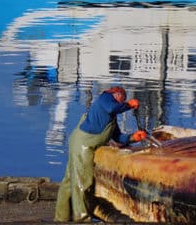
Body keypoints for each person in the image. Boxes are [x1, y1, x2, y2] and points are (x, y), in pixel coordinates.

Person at [55, 86, 147, 222]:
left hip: (80, 143)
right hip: (83, 145)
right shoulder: (105, 98)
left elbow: (118, 137)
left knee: (70, 180)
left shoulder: (111, 118)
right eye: (123, 98)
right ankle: (82, 219)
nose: (122, 101)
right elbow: (112, 108)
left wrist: (133, 137)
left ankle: (61, 217)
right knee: (83, 182)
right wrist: (129, 105)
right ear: (116, 94)